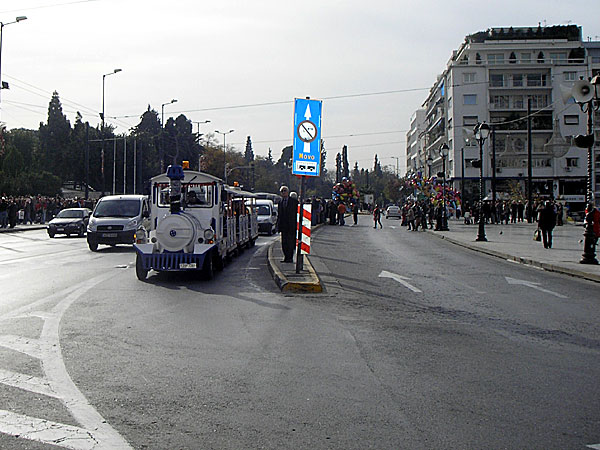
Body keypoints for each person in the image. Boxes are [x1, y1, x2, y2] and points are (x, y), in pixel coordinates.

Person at [276, 185, 298, 263]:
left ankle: (290, 257)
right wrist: (278, 226)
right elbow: (279, 215)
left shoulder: (294, 202)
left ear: (288, 192)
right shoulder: (280, 202)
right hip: (283, 226)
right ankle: (286, 257)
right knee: (284, 243)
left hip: (291, 226)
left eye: (285, 191)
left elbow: (296, 214)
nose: (283, 193)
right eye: (282, 191)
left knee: (290, 243)